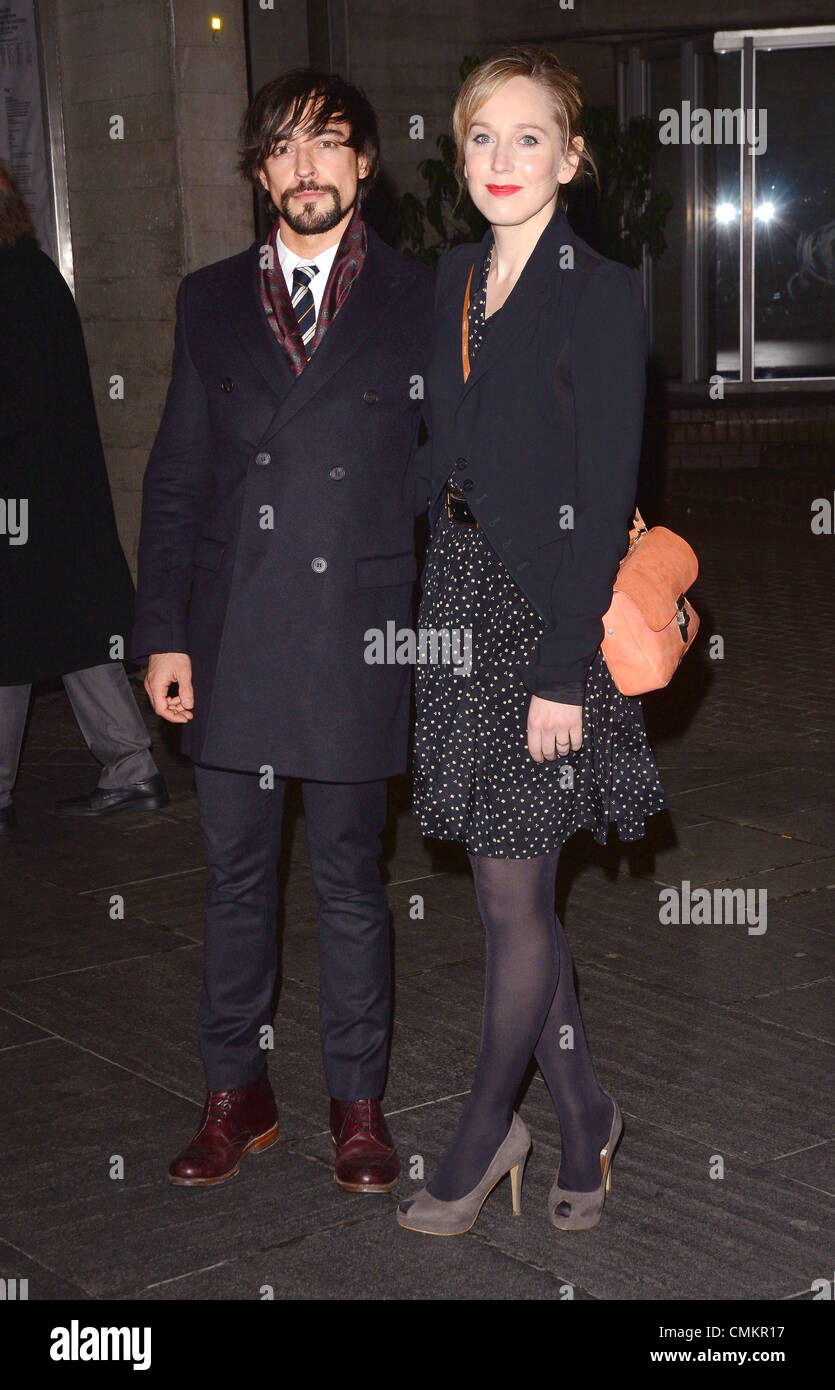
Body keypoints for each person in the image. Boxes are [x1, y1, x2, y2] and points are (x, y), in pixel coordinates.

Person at [129, 70, 433, 1191]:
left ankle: (357, 1104)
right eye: (284, 150)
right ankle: (234, 1093)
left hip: (356, 635)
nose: (307, 168)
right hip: (232, 632)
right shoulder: (207, 297)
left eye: (329, 146)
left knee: (353, 880)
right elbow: (176, 476)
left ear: (362, 166)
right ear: (261, 172)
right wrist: (161, 629)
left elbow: (449, 470)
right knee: (236, 880)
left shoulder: (421, 294)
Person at [397, 45, 667, 1236]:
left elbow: (605, 488)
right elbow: (437, 452)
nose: (501, 159)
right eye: (479, 138)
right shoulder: (453, 274)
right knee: (517, 899)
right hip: (454, 602)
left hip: (542, 615)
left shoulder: (598, 292)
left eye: (526, 137)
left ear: (570, 154)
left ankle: (480, 1129)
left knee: (513, 898)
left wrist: (562, 669)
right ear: (459, 157)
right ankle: (586, 1110)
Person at [0, 164, 168, 834]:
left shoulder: (13, 282)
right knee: (73, 632)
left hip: (21, 497)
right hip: (53, 497)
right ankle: (131, 769)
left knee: (17, 634)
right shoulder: (34, 273)